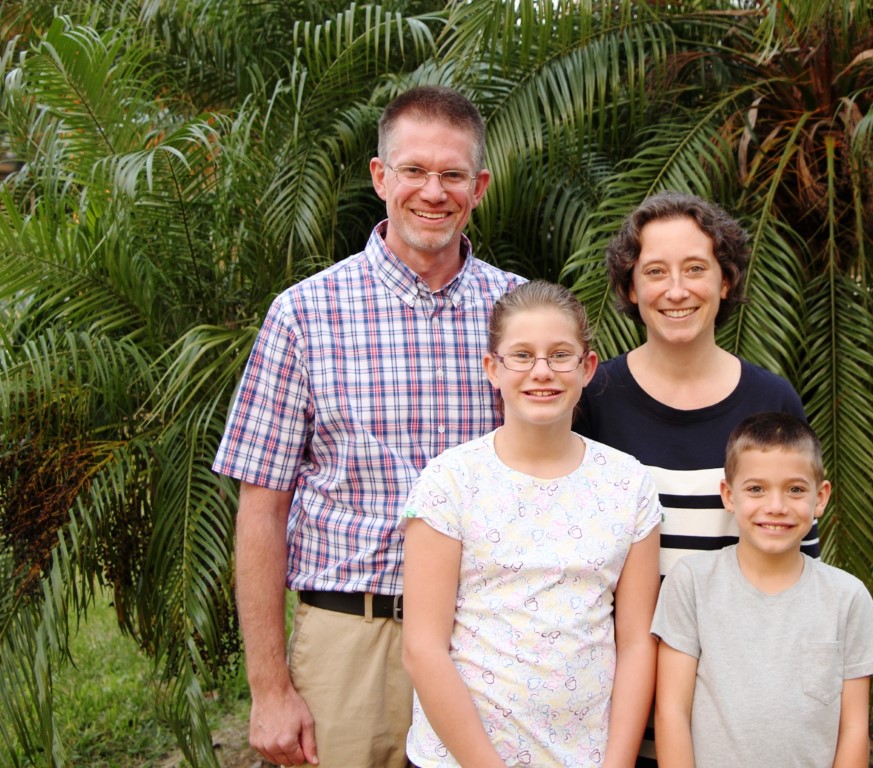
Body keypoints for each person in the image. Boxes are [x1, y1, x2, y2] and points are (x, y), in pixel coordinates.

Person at [212, 85, 523, 768]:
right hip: (350, 643)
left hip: (486, 637)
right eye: (414, 170)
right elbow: (261, 507)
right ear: (381, 177)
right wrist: (269, 689)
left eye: (452, 174)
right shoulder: (303, 315)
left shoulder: (518, 314)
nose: (433, 191)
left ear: (479, 187)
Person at [572, 192, 816, 764]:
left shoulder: (772, 401)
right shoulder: (593, 400)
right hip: (608, 716)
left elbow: (799, 566)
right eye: (655, 271)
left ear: (726, 281)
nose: (676, 290)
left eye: (696, 269)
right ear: (631, 288)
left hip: (734, 712)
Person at [401, 280, 662, 768]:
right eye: (522, 355)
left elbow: (635, 645)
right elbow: (422, 649)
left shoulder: (629, 484)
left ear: (587, 367)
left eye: (560, 355)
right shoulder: (449, 481)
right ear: (492, 369)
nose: (542, 371)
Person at [652, 412, 873, 767]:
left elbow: (854, 728)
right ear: (729, 495)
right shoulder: (691, 583)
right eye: (756, 489)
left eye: (795, 490)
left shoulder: (847, 598)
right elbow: (672, 711)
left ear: (821, 497)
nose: (776, 507)